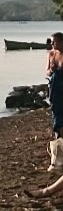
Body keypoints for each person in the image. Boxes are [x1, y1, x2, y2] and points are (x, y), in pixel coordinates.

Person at [47, 33, 63, 173]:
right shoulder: (52, 54)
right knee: (57, 123)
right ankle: (57, 157)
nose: (52, 45)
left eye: (54, 42)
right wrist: (51, 70)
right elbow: (46, 72)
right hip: (55, 91)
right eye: (51, 42)